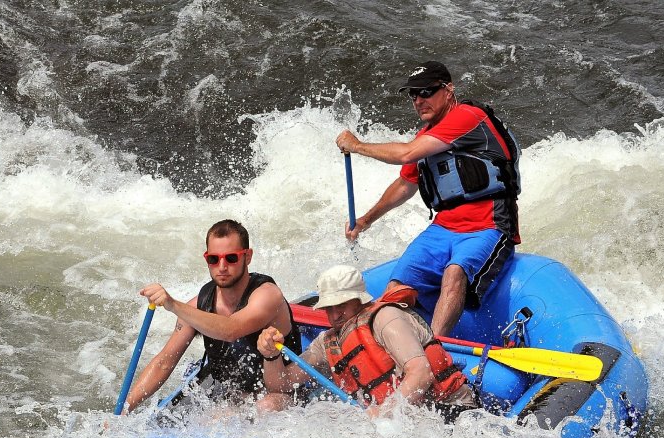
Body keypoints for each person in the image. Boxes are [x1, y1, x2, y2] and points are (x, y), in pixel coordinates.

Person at [336, 61, 521, 337]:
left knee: (455, 272)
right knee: (398, 285)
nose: (419, 100)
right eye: (413, 95)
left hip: (489, 225)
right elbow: (405, 184)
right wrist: (365, 220)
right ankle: (391, 345)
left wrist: (357, 146)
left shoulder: (468, 117)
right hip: (443, 228)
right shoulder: (426, 136)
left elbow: (406, 154)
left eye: (426, 92)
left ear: (448, 90)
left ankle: (435, 349)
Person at [123, 219, 301, 413]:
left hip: (279, 393)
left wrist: (172, 305)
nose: (222, 266)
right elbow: (164, 362)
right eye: (213, 259)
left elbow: (230, 330)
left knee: (265, 407)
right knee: (211, 418)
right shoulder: (198, 306)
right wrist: (124, 410)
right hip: (230, 396)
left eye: (231, 258)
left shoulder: (267, 295)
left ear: (247, 257)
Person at [256, 265, 477, 417]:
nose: (334, 315)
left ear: (359, 300)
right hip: (400, 421)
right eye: (328, 308)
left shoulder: (385, 318)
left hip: (449, 409)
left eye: (341, 305)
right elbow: (281, 384)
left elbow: (420, 373)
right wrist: (271, 355)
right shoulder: (327, 342)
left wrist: (385, 413)